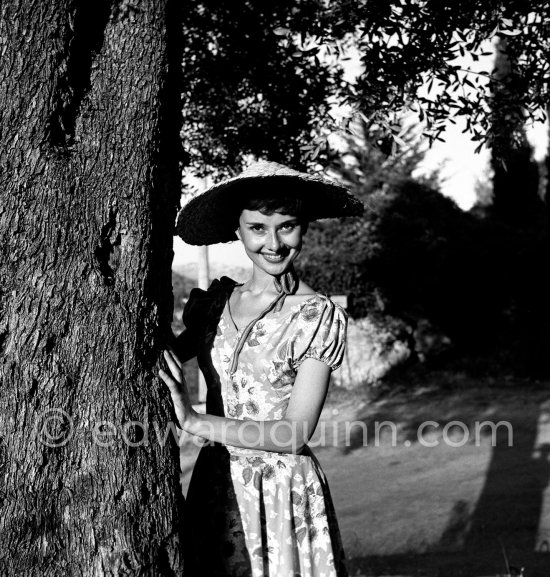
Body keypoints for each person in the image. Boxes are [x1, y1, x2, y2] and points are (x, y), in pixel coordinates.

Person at [158, 160, 363, 577]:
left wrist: (195, 421)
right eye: (257, 228)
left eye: (286, 226)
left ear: (303, 228)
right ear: (238, 231)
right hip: (216, 485)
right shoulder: (214, 304)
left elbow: (293, 434)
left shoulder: (315, 316)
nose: (273, 243)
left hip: (283, 492)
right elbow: (166, 360)